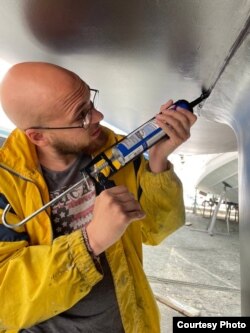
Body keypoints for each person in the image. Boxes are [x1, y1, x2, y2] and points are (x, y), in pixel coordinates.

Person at [0, 62, 197, 333]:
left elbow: (155, 231)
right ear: (37, 136)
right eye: (81, 115)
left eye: (89, 102)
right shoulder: (5, 184)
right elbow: (5, 298)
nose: (98, 116)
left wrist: (158, 162)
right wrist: (91, 241)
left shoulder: (115, 151)